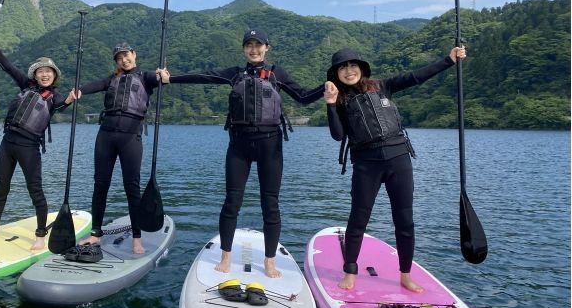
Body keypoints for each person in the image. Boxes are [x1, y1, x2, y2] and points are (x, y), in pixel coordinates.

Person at [159, 30, 323, 278]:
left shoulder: (278, 74)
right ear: (244, 48)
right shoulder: (235, 74)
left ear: (267, 47)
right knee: (232, 202)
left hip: (271, 145)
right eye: (249, 45)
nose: (254, 49)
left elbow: (303, 97)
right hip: (239, 145)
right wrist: (172, 79)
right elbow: (205, 77)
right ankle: (226, 256)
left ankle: (269, 261)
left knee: (270, 204)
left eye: (258, 45)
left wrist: (329, 87)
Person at [323, 45, 467, 292]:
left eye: (352, 65)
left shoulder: (381, 86)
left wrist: (449, 60)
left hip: (398, 158)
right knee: (358, 219)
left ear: (361, 68)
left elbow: (415, 77)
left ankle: (405, 275)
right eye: (343, 67)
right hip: (366, 164)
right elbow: (338, 135)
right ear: (336, 74)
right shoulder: (340, 100)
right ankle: (350, 272)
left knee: (404, 220)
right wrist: (330, 104)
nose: (349, 71)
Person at [0, 32, 74, 251]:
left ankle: (40, 236)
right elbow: (8, 67)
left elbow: (62, 104)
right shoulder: (26, 85)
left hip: (29, 148)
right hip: (7, 144)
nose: (45, 74)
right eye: (41, 71)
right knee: (1, 186)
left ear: (54, 75)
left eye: (48, 71)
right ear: (36, 75)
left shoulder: (56, 98)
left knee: (35, 191)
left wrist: (69, 99)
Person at [69, 42, 163, 260]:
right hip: (106, 136)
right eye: (119, 57)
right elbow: (93, 85)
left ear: (134, 54)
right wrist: (78, 91)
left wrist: (163, 76)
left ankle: (137, 237)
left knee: (132, 186)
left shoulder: (146, 77)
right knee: (100, 184)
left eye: (126, 55)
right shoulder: (112, 79)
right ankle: (95, 234)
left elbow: (161, 79)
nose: (124, 60)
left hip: (130, 137)